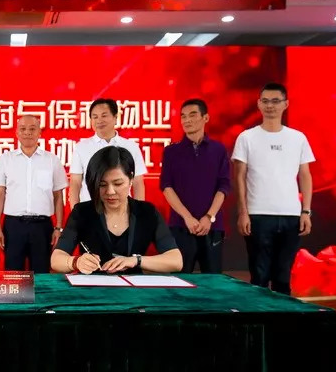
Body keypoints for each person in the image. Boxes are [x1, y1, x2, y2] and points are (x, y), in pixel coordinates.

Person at [232, 82, 315, 295]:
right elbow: (239, 176)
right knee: (259, 276)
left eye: (276, 101)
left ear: (285, 104)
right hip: (258, 215)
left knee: (283, 276)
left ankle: (282, 316)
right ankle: (259, 315)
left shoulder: (298, 138)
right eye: (266, 101)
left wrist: (306, 211)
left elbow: (305, 175)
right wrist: (243, 212)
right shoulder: (247, 137)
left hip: (291, 215)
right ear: (259, 104)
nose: (270, 106)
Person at [52, 146, 182, 274]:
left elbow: (176, 261)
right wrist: (76, 262)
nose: (110, 192)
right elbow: (56, 259)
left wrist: (136, 260)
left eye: (118, 184)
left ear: (131, 178)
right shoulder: (82, 212)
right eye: (102, 185)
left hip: (133, 286)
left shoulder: (147, 212)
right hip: (93, 286)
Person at [160, 99, 231, 273]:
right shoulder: (171, 151)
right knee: (180, 279)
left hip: (212, 227)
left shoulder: (218, 150)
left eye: (192, 115)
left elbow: (224, 186)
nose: (187, 120)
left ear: (205, 118)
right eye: (183, 116)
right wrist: (187, 218)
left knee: (213, 280)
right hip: (180, 226)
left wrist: (209, 217)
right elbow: (166, 187)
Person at [0, 115, 68, 274]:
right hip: (13, 225)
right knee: (13, 274)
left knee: (41, 273)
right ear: (16, 132)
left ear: (39, 132)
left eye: (32, 129)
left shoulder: (51, 160)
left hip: (42, 226)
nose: (27, 132)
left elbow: (58, 196)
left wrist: (58, 228)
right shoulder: (6, 159)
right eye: (23, 129)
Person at [69, 98, 147, 208]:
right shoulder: (81, 147)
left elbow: (138, 183)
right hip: (91, 210)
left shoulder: (131, 146)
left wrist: (139, 212)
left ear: (115, 117)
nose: (99, 120)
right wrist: (76, 213)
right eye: (95, 117)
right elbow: (75, 183)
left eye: (104, 116)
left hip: (122, 210)